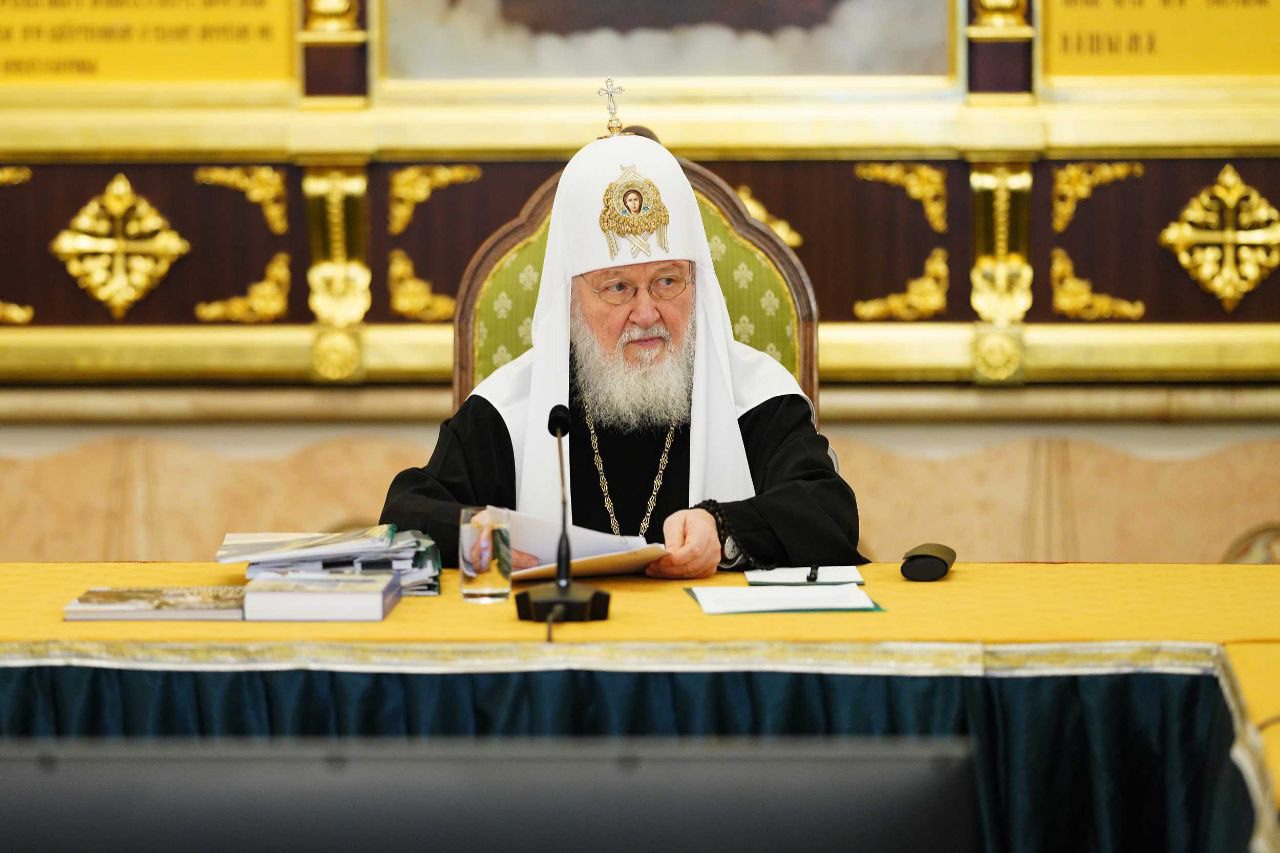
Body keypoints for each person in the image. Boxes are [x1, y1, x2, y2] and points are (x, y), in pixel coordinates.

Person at [380, 131, 865, 579]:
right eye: (617, 288)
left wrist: (724, 529)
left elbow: (828, 511)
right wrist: (483, 532)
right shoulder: (512, 410)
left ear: (696, 283)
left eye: (668, 281)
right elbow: (406, 513)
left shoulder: (756, 396)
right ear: (572, 300)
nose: (647, 313)